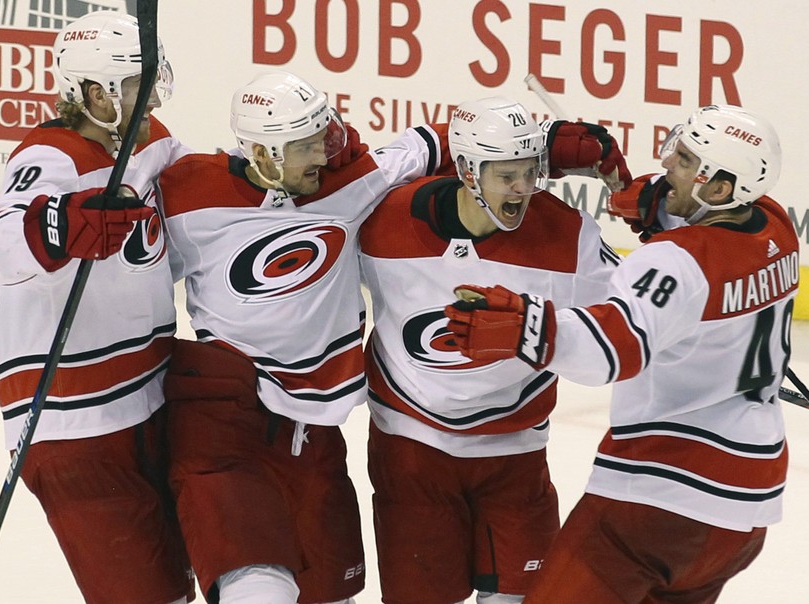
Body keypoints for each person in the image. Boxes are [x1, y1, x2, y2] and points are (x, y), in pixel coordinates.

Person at [157, 70, 630, 604]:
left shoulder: (361, 187)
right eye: (310, 144)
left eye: (326, 134)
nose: (329, 152)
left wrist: (546, 145)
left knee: (333, 595)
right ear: (265, 152)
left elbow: (436, 141)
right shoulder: (192, 190)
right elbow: (128, 269)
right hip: (260, 419)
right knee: (258, 591)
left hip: (329, 432)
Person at [444, 104, 796, 603]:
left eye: (686, 159)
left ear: (718, 188)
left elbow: (608, 349)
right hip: (746, 514)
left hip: (658, 500)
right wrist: (662, 203)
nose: (669, 160)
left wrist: (526, 327)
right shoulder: (775, 227)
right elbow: (709, 238)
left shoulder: (676, 263)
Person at [358, 96, 629, 604]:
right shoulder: (381, 221)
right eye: (507, 175)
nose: (523, 190)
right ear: (465, 170)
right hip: (412, 449)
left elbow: (634, 316)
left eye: (531, 172)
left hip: (515, 455)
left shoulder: (568, 235)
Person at [0, 12, 195, 604]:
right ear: (95, 94)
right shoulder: (52, 158)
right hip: (73, 427)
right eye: (137, 83)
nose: (154, 95)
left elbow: (208, 192)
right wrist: (57, 227)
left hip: (150, 399)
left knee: (179, 582)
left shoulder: (152, 142)